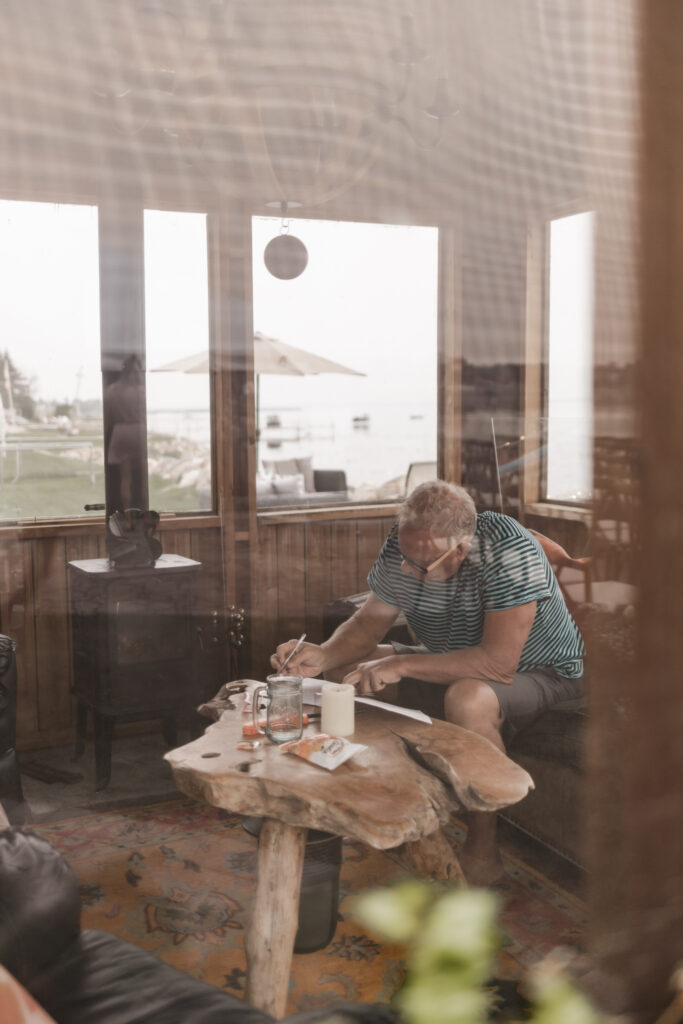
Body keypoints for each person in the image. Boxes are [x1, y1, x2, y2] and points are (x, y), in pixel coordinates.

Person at [272, 479, 585, 886]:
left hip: (542, 671)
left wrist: (401, 665)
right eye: (404, 557)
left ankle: (483, 849)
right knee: (349, 672)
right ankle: (377, 807)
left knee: (469, 697)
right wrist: (324, 654)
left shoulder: (511, 550)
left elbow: (498, 664)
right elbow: (369, 622)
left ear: (461, 550)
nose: (407, 571)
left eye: (421, 567)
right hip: (453, 658)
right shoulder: (408, 543)